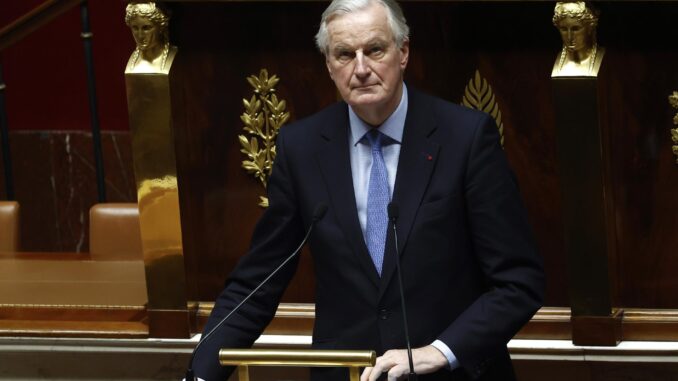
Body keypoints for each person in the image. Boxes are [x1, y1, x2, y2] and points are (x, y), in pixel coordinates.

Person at [192, 0, 544, 380]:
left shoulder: (466, 138)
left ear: (403, 52)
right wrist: (198, 374)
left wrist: (440, 351)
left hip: (449, 373)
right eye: (345, 54)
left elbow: (518, 282)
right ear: (329, 64)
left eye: (375, 50)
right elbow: (257, 281)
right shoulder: (302, 148)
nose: (361, 69)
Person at [551, 1, 604, 77]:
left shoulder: (604, 58)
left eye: (576, 29)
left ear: (589, 28)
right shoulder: (552, 61)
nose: (569, 37)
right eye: (564, 29)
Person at [124, 2, 177, 74]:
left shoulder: (174, 56)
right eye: (135, 28)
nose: (140, 36)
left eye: (146, 28)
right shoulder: (132, 63)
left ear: (161, 27)